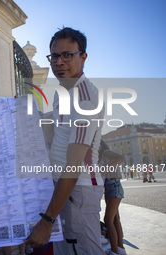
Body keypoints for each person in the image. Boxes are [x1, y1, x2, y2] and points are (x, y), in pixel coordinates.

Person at [25, 27, 105, 255]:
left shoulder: (85, 98)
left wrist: (47, 221)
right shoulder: (65, 94)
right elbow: (51, 127)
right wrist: (19, 111)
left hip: (77, 190)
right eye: (54, 56)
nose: (59, 62)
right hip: (63, 190)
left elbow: (74, 165)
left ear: (83, 56)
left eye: (67, 55)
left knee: (85, 251)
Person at [99, 140, 127, 255]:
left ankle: (114, 251)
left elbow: (122, 158)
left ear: (100, 145)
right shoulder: (99, 156)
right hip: (109, 188)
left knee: (108, 220)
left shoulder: (106, 152)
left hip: (114, 186)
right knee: (115, 220)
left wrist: (107, 168)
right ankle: (120, 249)